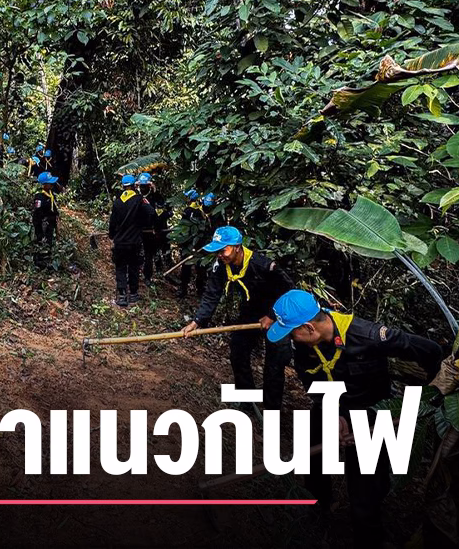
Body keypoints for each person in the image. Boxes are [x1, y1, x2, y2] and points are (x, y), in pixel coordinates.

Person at [266, 289, 444, 548]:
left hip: (369, 414)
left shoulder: (369, 336)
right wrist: (334, 415)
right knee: (311, 451)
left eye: (292, 333)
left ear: (309, 327)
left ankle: (369, 538)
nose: (290, 338)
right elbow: (310, 380)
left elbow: (432, 351)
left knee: (365, 489)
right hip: (331, 404)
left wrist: (434, 396)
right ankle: (318, 507)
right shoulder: (303, 344)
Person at [180, 226, 296, 409]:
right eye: (217, 251)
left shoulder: (263, 265)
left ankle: (272, 409)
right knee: (238, 352)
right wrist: (197, 322)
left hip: (279, 314)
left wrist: (271, 315)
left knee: (275, 362)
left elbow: (289, 291)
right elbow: (212, 294)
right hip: (251, 312)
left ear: (237, 247)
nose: (220, 255)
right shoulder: (221, 266)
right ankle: (247, 401)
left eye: (223, 250)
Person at [108, 173, 151, 307]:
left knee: (120, 267)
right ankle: (133, 294)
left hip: (120, 242)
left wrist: (112, 235)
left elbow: (112, 222)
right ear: (134, 186)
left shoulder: (117, 202)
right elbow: (151, 213)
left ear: (123, 186)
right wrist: (144, 224)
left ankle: (122, 296)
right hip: (134, 241)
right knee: (133, 267)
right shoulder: (139, 200)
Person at [176, 191, 220, 300]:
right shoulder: (191, 211)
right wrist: (183, 243)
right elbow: (183, 228)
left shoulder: (215, 215)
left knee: (202, 269)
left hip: (204, 246)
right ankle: (183, 288)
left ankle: (201, 290)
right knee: (186, 266)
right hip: (189, 245)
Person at [138, 173, 170, 284]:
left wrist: (157, 229)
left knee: (149, 255)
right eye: (141, 186)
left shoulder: (155, 198)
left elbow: (161, 212)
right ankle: (134, 275)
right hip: (138, 231)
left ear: (149, 186)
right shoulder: (136, 196)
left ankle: (147, 277)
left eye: (145, 186)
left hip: (151, 231)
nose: (142, 188)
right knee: (137, 253)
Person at [32, 172, 60, 269]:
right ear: (44, 185)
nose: (52, 184)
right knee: (42, 241)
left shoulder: (51, 194)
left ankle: (48, 260)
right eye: (49, 183)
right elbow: (37, 214)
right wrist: (40, 227)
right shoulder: (39, 197)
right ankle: (40, 262)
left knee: (49, 241)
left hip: (50, 224)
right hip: (43, 224)